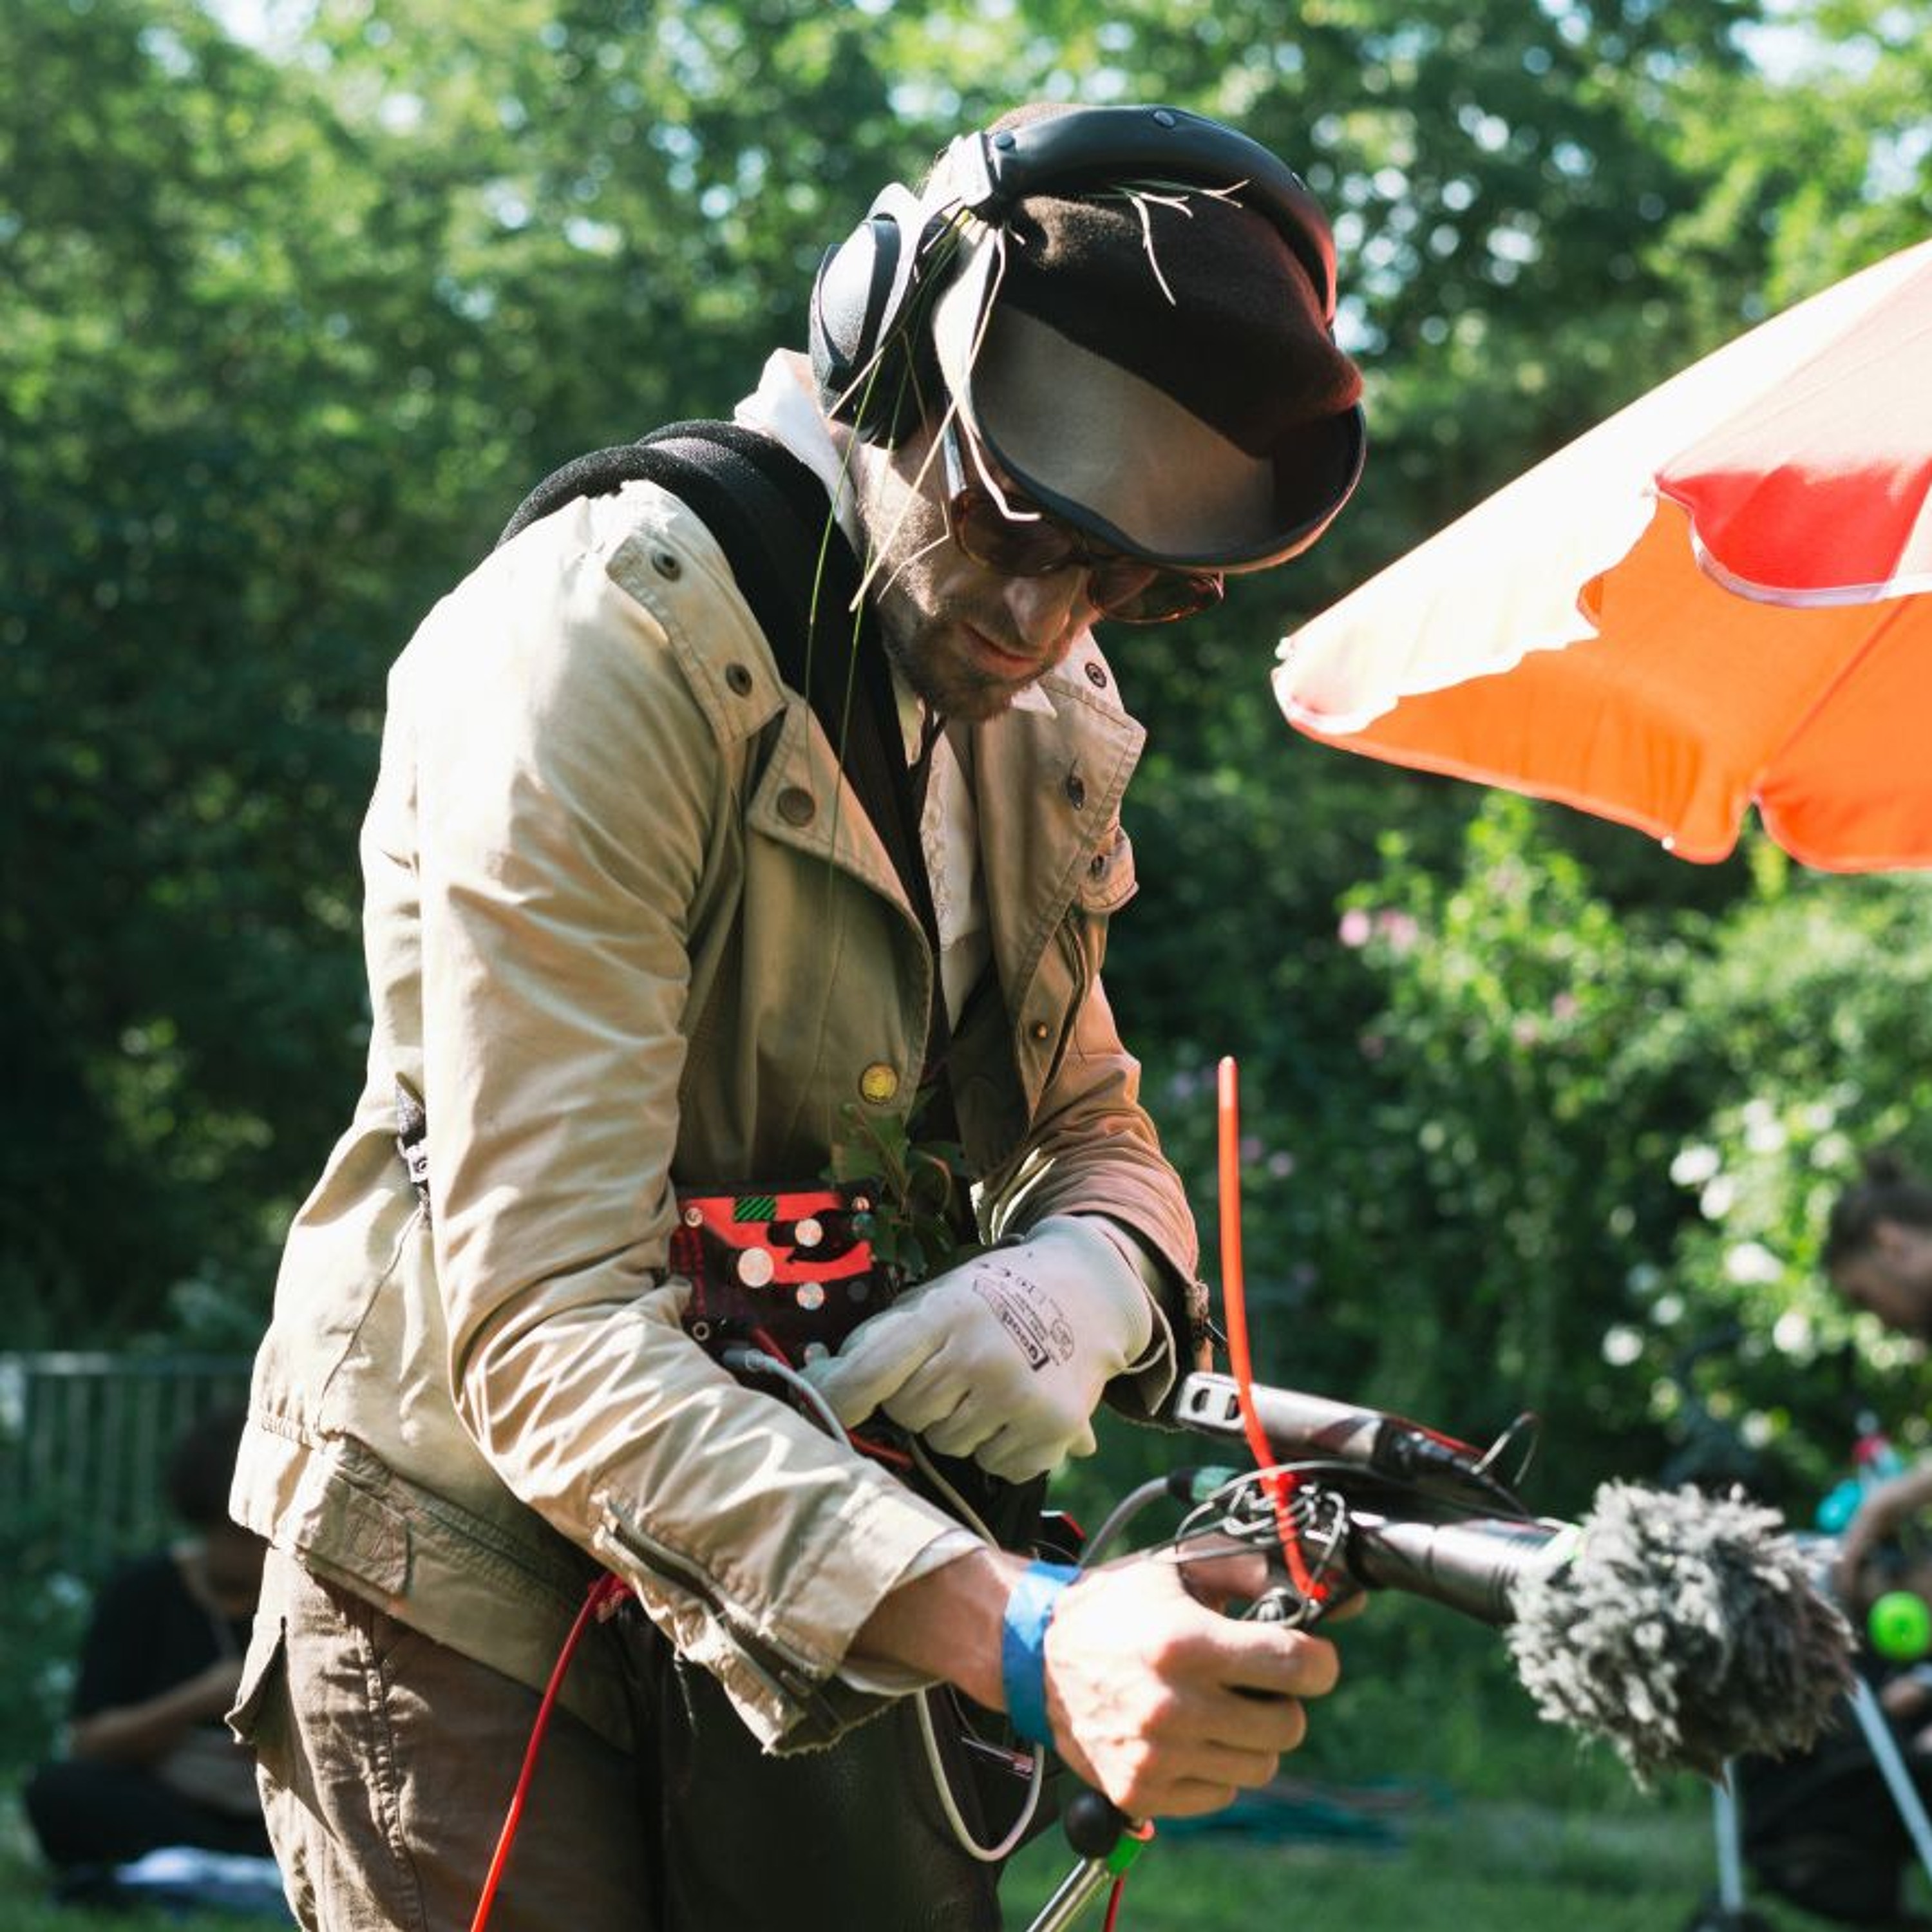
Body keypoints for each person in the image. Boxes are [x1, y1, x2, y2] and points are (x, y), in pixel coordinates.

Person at [228, 100, 1368, 1931]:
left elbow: (1092, 1120)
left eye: (1119, 580)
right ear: (878, 344)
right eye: (1011, 521)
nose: (1039, 618)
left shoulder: (1037, 712)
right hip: (471, 1590)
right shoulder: (600, 642)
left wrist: (1082, 1275)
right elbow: (548, 1330)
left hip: (808, 1575)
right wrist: (1030, 1637)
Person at [25, 1405, 270, 1884]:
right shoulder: (142, 1592)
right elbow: (89, 1741)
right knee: (58, 1791)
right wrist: (201, 1699)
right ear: (205, 1522)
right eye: (240, 1537)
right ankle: (219, 1866)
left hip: (277, 1810)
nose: (256, 1553)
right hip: (173, 1799)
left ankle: (198, 1867)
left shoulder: (307, 1603)